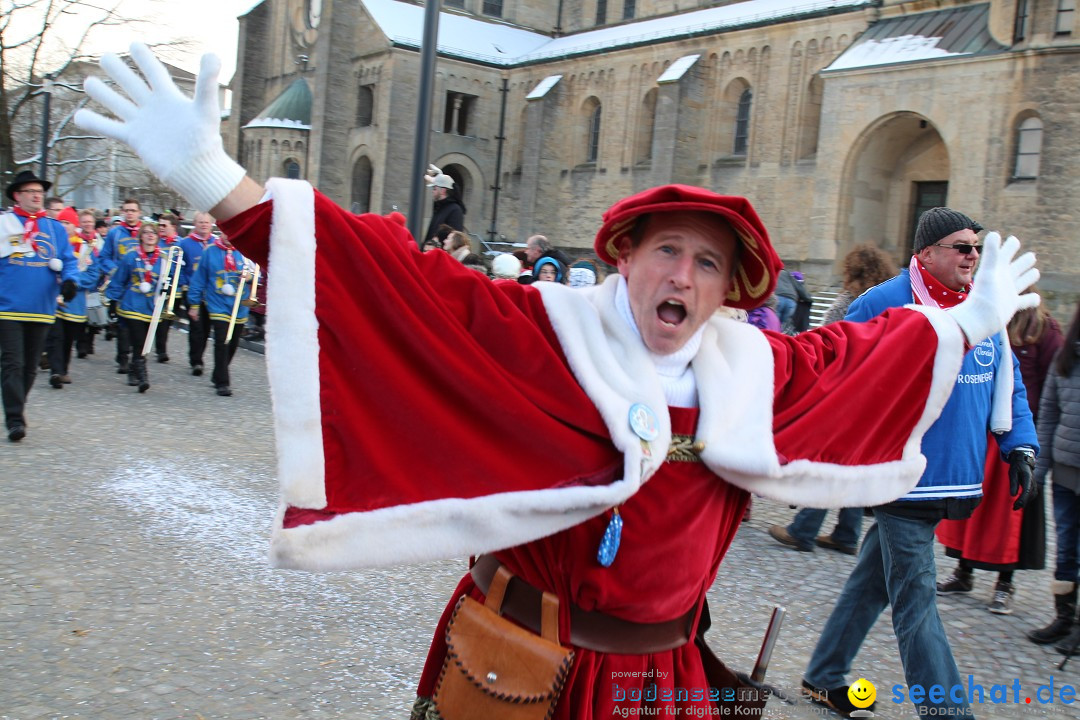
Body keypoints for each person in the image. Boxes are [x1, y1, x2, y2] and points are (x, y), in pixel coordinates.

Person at [75, 44, 1042, 719]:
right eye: (668, 251)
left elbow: (860, 359)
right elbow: (391, 281)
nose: (683, 278)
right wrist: (214, 178)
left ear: (730, 290)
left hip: (659, 681)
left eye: (708, 266)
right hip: (520, 668)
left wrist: (967, 320)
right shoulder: (538, 331)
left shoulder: (755, 371)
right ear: (623, 258)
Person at [801, 207, 1038, 719]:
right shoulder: (884, 302)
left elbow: (1008, 378)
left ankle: (823, 675)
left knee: (873, 578)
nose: (972, 256)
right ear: (926, 253)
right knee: (917, 601)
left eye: (976, 247)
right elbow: (828, 364)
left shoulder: (983, 304)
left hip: (955, 474)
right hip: (901, 477)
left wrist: (1020, 444)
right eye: (961, 247)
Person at [769, 244, 897, 554]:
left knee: (830, 457)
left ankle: (804, 528)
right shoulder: (889, 302)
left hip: (846, 389)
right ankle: (847, 532)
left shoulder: (849, 302)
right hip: (877, 392)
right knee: (855, 460)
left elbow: (827, 340)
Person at [936, 299, 1063, 614]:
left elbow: (1049, 387)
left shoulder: (1044, 329)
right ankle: (963, 572)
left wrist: (1031, 441)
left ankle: (1005, 584)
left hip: (1017, 435)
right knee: (971, 508)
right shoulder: (983, 317)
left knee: (1010, 512)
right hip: (981, 430)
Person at [0, 171, 79, 440]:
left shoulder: (55, 228)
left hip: (42, 308)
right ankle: (14, 419)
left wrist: (70, 281)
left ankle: (16, 408)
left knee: (30, 367)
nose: (37, 195)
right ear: (17, 196)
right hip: (8, 307)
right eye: (30, 191)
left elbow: (68, 260)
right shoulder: (5, 224)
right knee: (13, 363)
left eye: (40, 191)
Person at [1028, 301, 1080, 655]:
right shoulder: (1067, 358)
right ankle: (1064, 617)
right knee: (1067, 549)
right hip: (1065, 473)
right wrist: (1038, 470)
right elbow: (1048, 415)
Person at [186, 232, 252, 397]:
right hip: (217, 304)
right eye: (225, 232)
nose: (228, 236)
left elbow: (259, 274)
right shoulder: (209, 252)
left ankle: (218, 373)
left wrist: (250, 277)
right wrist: (193, 304)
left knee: (233, 343)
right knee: (221, 341)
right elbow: (199, 279)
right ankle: (223, 383)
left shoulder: (245, 251)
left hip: (239, 305)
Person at [105, 223, 167, 393]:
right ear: (141, 236)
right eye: (146, 233)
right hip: (132, 305)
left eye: (153, 233)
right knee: (139, 341)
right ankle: (143, 377)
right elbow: (119, 279)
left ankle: (133, 370)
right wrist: (112, 300)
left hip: (151, 307)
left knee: (145, 343)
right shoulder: (131, 256)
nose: (150, 235)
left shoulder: (164, 259)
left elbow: (171, 281)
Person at [46, 207, 102, 387]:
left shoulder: (87, 248)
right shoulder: (52, 244)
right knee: (56, 336)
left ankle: (63, 369)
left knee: (68, 338)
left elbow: (93, 274)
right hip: (53, 299)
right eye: (61, 222)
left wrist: (74, 282)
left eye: (67, 222)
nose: (63, 226)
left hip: (74, 302)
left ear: (74, 225)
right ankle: (55, 371)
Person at [100, 198, 144, 374]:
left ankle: (137, 357)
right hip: (121, 285)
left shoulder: (146, 232)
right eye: (127, 210)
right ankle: (123, 358)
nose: (130, 213)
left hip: (141, 286)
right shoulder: (115, 233)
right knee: (123, 323)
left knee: (139, 324)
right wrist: (114, 271)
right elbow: (104, 257)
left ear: (139, 212)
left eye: (133, 210)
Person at [179, 211, 214, 376]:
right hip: (193, 292)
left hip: (213, 294)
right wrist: (185, 282)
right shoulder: (185, 243)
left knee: (206, 329)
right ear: (195, 224)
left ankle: (199, 355)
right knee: (197, 327)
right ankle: (196, 361)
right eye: (200, 222)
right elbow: (179, 267)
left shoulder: (216, 243)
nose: (204, 225)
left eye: (206, 222)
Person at [151, 213, 182, 363]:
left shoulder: (181, 244)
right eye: (159, 225)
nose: (160, 228)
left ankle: (160, 346)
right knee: (158, 318)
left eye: (164, 225)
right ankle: (160, 350)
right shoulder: (156, 242)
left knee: (166, 320)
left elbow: (185, 267)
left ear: (173, 227)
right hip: (158, 285)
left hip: (175, 288)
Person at [75, 209, 106, 358]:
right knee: (82, 315)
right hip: (83, 280)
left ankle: (90, 341)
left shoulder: (100, 240)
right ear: (80, 223)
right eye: (85, 221)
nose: (87, 224)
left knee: (94, 313)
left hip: (97, 282)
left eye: (90, 221)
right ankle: (81, 343)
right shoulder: (76, 240)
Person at [423, 165, 465, 247]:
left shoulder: (455, 210)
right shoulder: (440, 208)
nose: (433, 192)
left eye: (434, 189)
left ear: (443, 190)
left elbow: (454, 241)